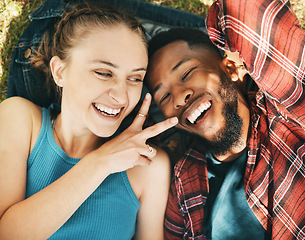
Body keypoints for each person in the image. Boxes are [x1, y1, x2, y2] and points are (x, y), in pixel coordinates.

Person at [144, 0, 305, 239]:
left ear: (231, 68)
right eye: (163, 96)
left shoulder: (292, 114)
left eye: (187, 73)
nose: (178, 97)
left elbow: (250, 9)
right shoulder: (183, 180)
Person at [0, 2, 178, 239]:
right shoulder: (20, 120)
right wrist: (101, 162)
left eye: (135, 78)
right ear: (59, 71)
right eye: (104, 73)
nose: (121, 95)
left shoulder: (148, 166)